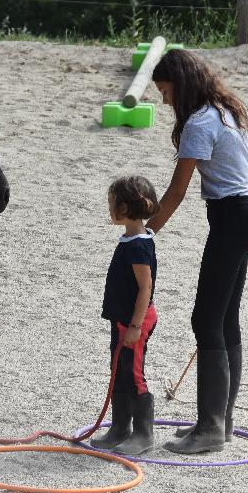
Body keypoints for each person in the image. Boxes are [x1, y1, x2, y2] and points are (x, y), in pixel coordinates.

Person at [146, 49, 248, 454]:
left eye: (166, 91)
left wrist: (146, 232)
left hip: (230, 216)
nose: (165, 100)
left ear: (180, 85)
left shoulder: (200, 122)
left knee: (205, 318)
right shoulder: (236, 112)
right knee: (225, 318)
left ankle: (210, 428)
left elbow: (177, 190)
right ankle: (222, 421)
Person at [91, 176, 160, 456]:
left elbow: (146, 287)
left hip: (135, 322)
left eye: (112, 203)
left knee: (133, 374)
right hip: (121, 320)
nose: (109, 208)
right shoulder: (130, 239)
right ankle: (120, 427)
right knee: (118, 370)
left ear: (126, 207)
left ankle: (144, 433)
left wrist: (134, 325)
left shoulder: (139, 245)